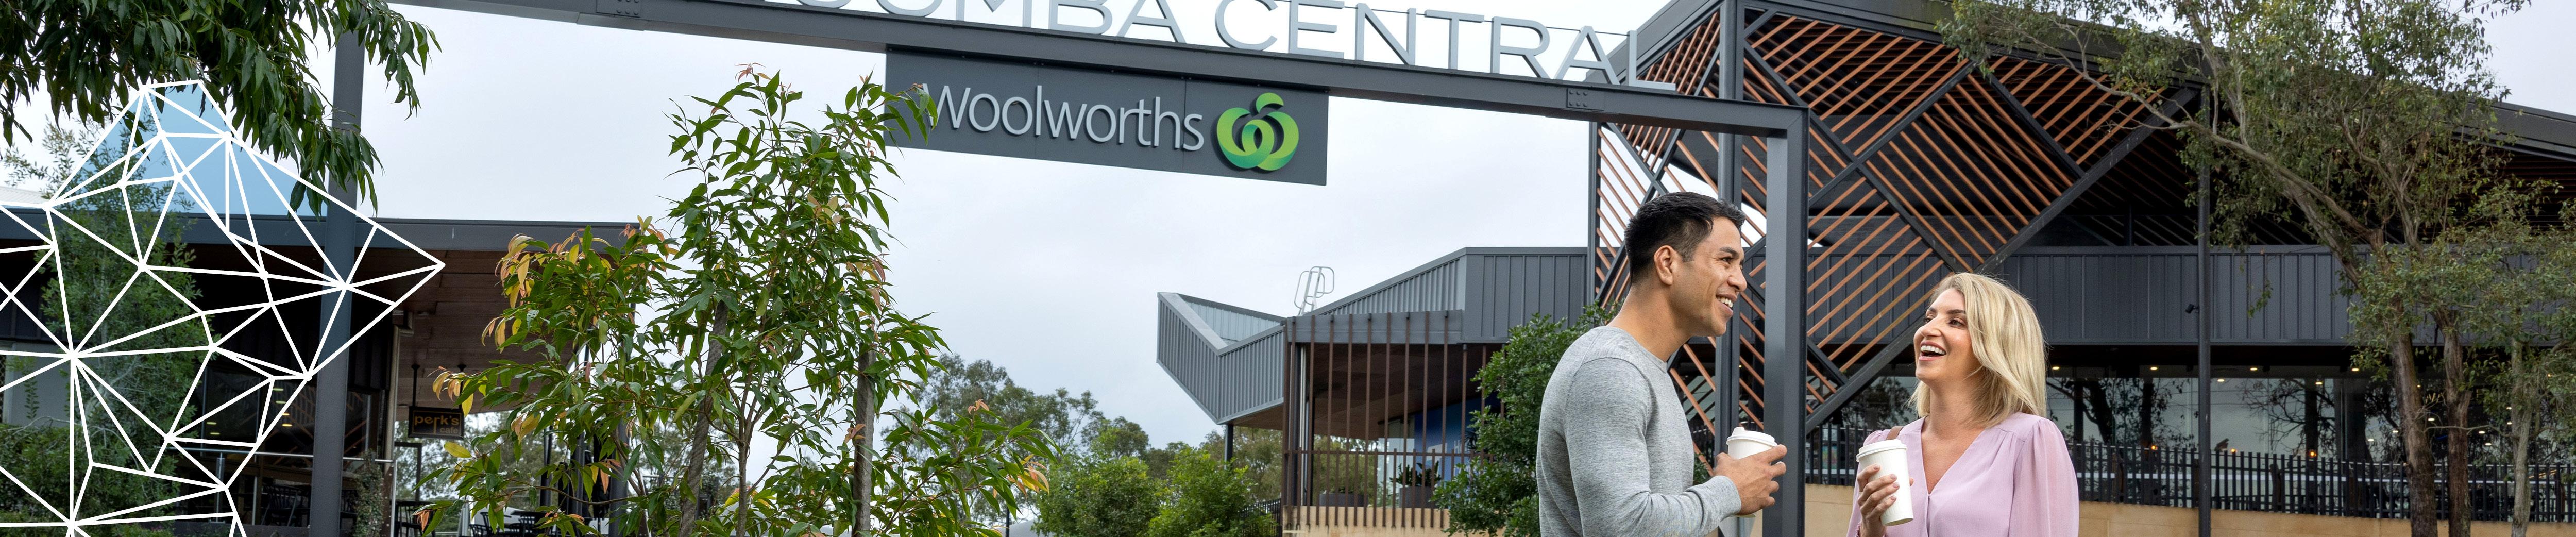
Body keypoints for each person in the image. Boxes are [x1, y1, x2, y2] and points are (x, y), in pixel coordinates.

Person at [1537, 192, 1787, 537]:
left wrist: (1726, 497)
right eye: (1726, 260)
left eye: (1740, 265)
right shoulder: (1610, 369)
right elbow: (1620, 527)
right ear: (1667, 264)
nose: (1741, 281)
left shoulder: (1645, 368)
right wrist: (1728, 491)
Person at [1848, 273, 2077, 537]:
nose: (1928, 330)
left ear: (1996, 346)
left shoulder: (2030, 440)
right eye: (1930, 318)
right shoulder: (1882, 447)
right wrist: (1870, 529)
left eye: (1956, 322)